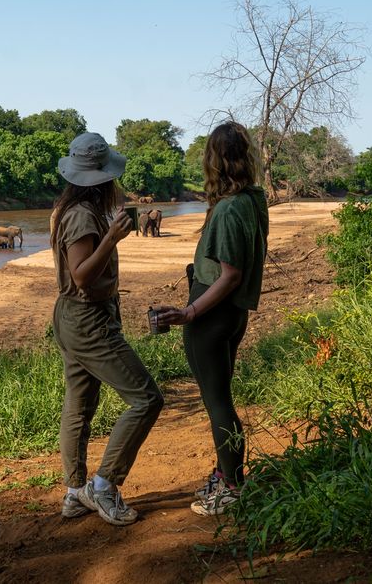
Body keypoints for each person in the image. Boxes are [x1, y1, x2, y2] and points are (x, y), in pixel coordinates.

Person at [154, 121, 269, 516]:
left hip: (212, 312)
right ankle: (226, 475)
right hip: (235, 314)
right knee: (221, 398)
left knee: (218, 402)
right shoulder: (254, 199)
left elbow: (230, 275)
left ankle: (232, 486)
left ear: (213, 161)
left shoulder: (228, 209)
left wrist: (189, 311)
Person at [52, 132, 164, 527]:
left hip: (71, 318)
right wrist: (111, 240)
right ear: (101, 179)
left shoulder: (73, 210)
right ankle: (103, 486)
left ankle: (74, 492)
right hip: (88, 319)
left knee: (79, 405)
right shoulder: (83, 215)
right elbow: (82, 276)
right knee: (146, 398)